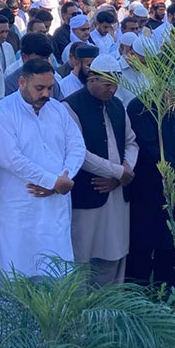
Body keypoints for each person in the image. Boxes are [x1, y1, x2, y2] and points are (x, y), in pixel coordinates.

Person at [0, 58, 85, 278]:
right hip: (17, 209)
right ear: (22, 82)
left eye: (50, 88)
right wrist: (52, 181)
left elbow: (77, 146)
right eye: (39, 88)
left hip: (55, 205)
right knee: (14, 274)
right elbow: (11, 159)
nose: (46, 94)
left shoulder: (57, 110)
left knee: (55, 272)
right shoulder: (1, 112)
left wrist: (64, 178)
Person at [63, 55, 138, 286]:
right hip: (88, 193)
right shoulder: (70, 106)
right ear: (92, 79)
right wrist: (116, 172)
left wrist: (126, 170)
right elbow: (78, 153)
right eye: (107, 84)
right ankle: (83, 313)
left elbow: (131, 142)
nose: (112, 89)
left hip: (117, 193)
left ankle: (111, 306)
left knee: (115, 251)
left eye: (115, 84)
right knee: (83, 254)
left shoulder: (117, 105)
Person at [125, 76, 175, 291]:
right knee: (143, 246)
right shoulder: (139, 106)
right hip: (149, 189)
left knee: (171, 245)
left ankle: (168, 296)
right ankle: (138, 299)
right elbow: (147, 146)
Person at [4, 32, 63, 99]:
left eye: (47, 58)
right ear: (24, 57)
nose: (45, 62)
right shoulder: (11, 84)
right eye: (40, 59)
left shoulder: (52, 82)